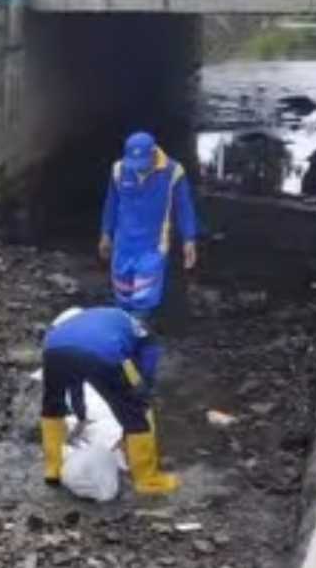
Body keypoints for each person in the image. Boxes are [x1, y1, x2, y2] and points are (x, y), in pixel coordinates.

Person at [39, 306, 178, 495]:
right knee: (135, 413)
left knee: (52, 406)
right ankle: (147, 480)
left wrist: (81, 415)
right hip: (102, 351)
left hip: (53, 350)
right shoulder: (143, 333)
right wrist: (142, 392)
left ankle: (53, 469)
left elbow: (74, 383)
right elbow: (147, 367)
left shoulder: (82, 321)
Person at [99, 131, 198, 321]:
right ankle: (127, 333)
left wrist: (189, 239)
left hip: (153, 246)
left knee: (144, 298)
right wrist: (106, 233)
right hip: (123, 244)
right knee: (123, 295)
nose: (139, 170)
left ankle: (138, 335)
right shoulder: (119, 170)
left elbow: (184, 207)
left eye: (143, 165)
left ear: (154, 154)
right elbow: (111, 204)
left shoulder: (173, 172)